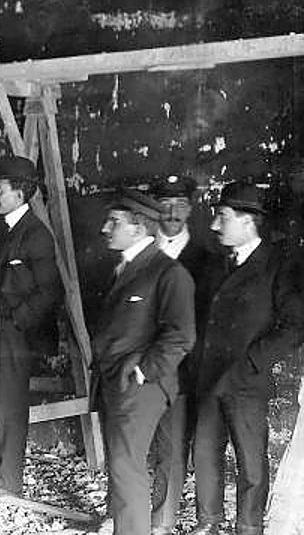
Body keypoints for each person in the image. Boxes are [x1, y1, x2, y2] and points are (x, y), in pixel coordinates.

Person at [192, 182, 304, 535]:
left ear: (247, 221)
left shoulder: (277, 266)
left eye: (221, 217)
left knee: (250, 461)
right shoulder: (216, 263)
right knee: (205, 452)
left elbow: (294, 326)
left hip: (246, 381)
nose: (213, 226)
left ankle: (248, 527)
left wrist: (252, 363)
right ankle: (208, 521)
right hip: (209, 376)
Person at [92, 189, 195, 535]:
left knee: (126, 465)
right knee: (123, 464)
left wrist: (142, 371)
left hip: (140, 386)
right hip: (118, 382)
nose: (106, 228)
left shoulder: (168, 272)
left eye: (114, 222)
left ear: (138, 228)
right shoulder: (126, 268)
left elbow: (181, 335)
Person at [0, 155, 61, 498]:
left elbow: (50, 291)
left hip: (16, 333)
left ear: (21, 195)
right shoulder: (11, 232)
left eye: (0, 190)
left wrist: (16, 322)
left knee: (8, 403)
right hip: (1, 329)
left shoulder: (36, 235)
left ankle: (9, 480)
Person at [148, 174, 210, 535]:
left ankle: (162, 520)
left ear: (190, 208)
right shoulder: (140, 252)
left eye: (180, 205)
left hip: (180, 372)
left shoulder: (205, 259)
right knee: (132, 440)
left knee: (171, 446)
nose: (171, 212)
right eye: (164, 204)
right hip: (140, 369)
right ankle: (123, 512)